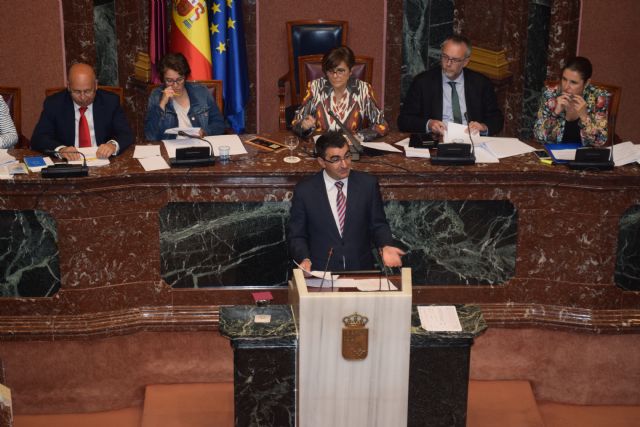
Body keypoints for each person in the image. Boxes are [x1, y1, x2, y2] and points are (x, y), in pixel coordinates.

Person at [288, 131, 405, 273]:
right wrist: (304, 259)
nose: (344, 164)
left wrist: (386, 245)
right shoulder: (305, 191)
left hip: (360, 270)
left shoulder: (367, 185)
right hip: (321, 272)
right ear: (321, 162)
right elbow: (297, 235)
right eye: (336, 159)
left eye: (347, 156)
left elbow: (378, 224)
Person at [397, 34, 503, 136]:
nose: (448, 63)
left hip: (471, 140)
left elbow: (496, 119)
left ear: (465, 62)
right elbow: (404, 120)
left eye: (454, 60)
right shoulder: (423, 82)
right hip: (437, 140)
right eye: (445, 57)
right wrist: (429, 124)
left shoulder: (481, 83)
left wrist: (483, 127)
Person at [31, 63, 133, 160]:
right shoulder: (54, 104)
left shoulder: (110, 102)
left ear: (96, 85)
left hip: (102, 161)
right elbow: (38, 138)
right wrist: (61, 150)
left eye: (88, 91)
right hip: (69, 164)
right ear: (69, 86)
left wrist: (112, 145)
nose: (83, 97)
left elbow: (126, 134)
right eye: (77, 92)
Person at [292, 46, 388, 141]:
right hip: (323, 148)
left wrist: (360, 136)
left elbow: (382, 125)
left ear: (350, 71)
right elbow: (296, 122)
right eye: (331, 71)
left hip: (350, 149)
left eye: (340, 71)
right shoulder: (315, 87)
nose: (335, 76)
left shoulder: (363, 89)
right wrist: (303, 126)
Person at [144, 52, 225, 141]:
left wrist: (206, 131)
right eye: (169, 80)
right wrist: (162, 104)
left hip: (199, 146)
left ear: (185, 77)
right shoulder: (156, 95)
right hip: (170, 150)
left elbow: (219, 124)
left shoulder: (201, 92)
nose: (175, 85)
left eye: (179, 79)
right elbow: (151, 135)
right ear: (162, 79)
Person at [533, 56, 609, 146]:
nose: (566, 86)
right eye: (564, 79)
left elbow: (600, 142)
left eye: (573, 82)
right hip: (554, 155)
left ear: (587, 83)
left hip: (583, 157)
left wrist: (585, 118)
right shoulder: (551, 94)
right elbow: (538, 136)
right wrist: (555, 114)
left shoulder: (598, 98)